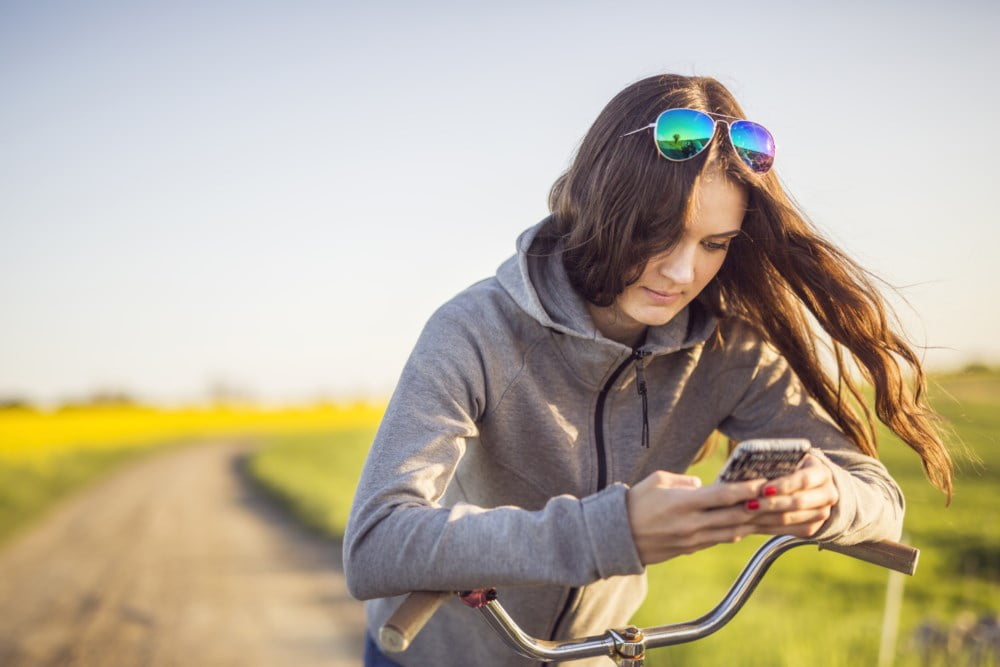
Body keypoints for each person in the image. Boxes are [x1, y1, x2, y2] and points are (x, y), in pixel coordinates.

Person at [343, 73, 953, 667]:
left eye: (714, 244)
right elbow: (374, 544)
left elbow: (882, 501)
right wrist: (609, 531)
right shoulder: (476, 328)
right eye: (659, 234)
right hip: (431, 654)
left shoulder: (730, 354)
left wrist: (827, 494)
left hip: (593, 655)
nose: (682, 273)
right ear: (599, 205)